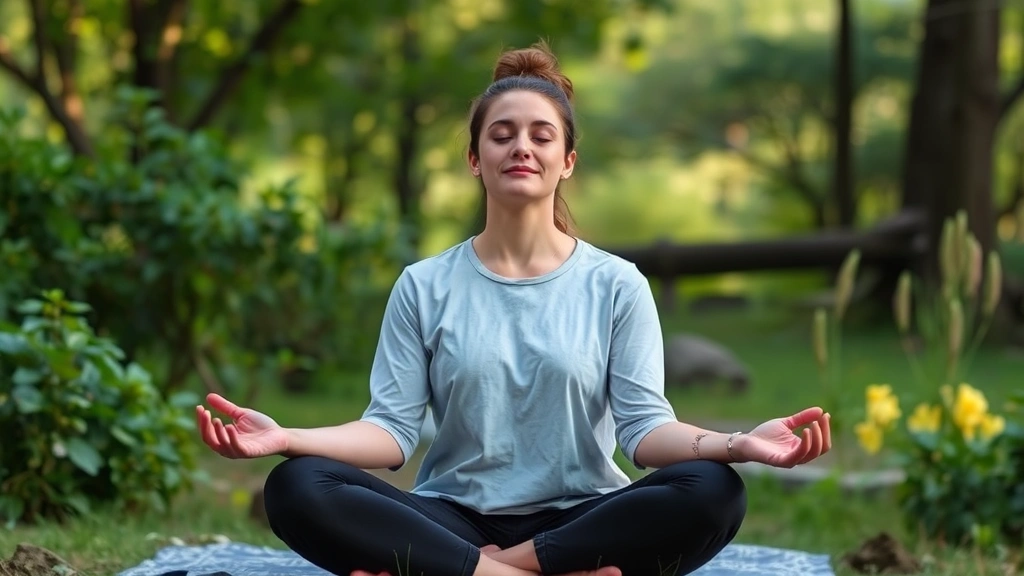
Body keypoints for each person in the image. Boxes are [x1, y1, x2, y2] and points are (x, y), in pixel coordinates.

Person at [196, 42, 832, 576]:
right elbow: (389, 435)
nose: (520, 147)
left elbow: (644, 432)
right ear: (476, 160)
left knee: (714, 489)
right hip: (452, 514)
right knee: (297, 487)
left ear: (567, 161)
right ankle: (516, 571)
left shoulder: (617, 284)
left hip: (583, 514)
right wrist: (285, 438)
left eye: (541, 135)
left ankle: (479, 568)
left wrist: (736, 442)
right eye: (501, 135)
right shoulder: (424, 284)